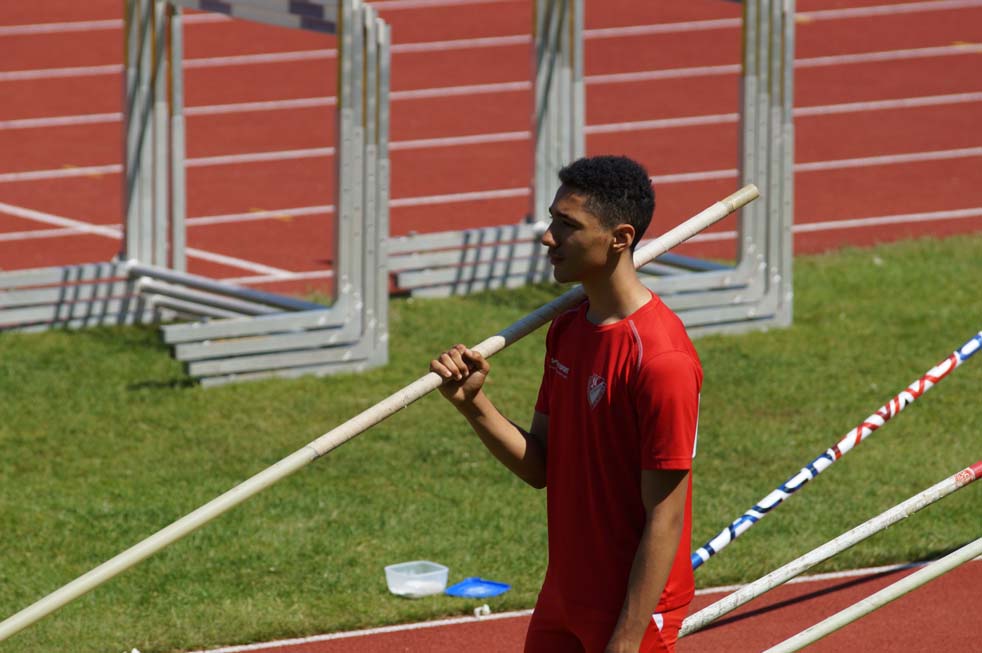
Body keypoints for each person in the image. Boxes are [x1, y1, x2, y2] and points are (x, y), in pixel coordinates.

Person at [430, 155, 702, 653]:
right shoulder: (568, 328)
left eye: (567, 225)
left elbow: (665, 519)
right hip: (566, 591)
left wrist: (626, 642)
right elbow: (541, 467)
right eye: (552, 219)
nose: (548, 237)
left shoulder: (663, 361)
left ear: (620, 238)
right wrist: (474, 405)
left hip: (631, 606)